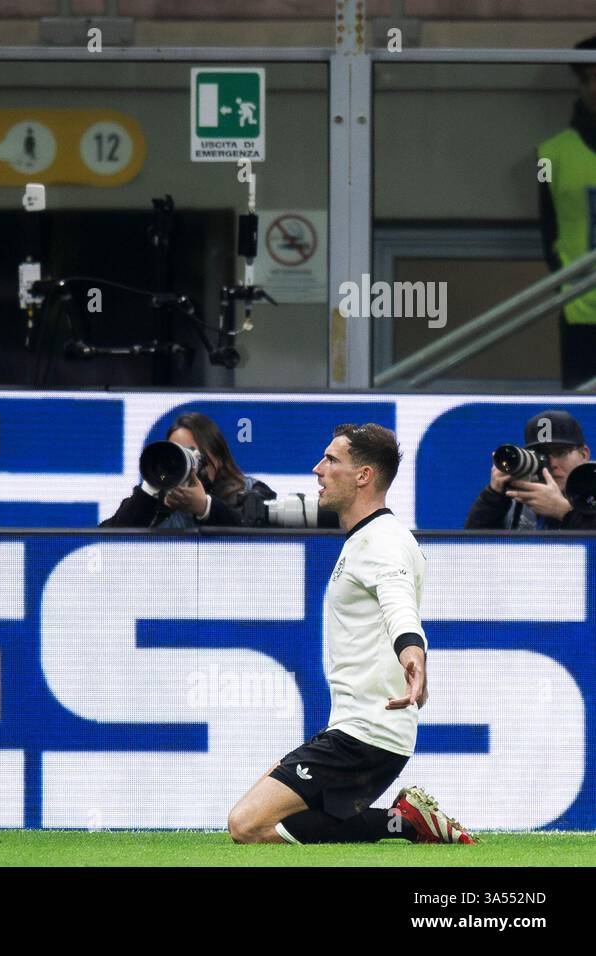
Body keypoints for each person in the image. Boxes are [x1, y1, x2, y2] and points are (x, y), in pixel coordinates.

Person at [227, 423, 476, 846]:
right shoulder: (367, 537)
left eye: (331, 460)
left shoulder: (382, 541)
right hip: (356, 729)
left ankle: (405, 822)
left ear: (364, 476)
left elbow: (399, 603)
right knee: (272, 804)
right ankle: (404, 819)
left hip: (367, 735)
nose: (317, 469)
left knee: (246, 825)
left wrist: (412, 652)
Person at [538, 35, 596, 389]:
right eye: (588, 78)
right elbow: (548, 232)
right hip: (579, 308)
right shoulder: (550, 154)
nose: (595, 87)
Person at [100, 412, 274, 528]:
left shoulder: (250, 492)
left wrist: (205, 507)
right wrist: (150, 490)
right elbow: (105, 541)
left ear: (218, 457)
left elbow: (260, 534)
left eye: (191, 453)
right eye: (176, 454)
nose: (184, 462)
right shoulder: (156, 502)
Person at [464, 409, 596, 530]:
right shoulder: (520, 496)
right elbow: (472, 548)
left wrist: (563, 511)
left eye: (560, 453)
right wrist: (493, 495)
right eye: (542, 456)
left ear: (584, 454)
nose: (552, 463)